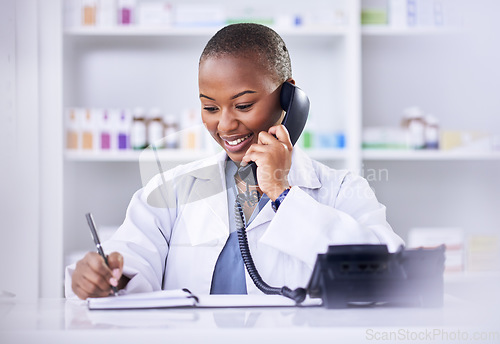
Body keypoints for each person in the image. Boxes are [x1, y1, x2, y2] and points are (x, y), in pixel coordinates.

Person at [66, 23, 404, 300]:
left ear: (290, 98)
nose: (225, 125)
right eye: (210, 108)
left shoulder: (341, 189)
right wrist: (103, 279)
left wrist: (283, 193)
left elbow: (392, 274)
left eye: (243, 105)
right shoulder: (170, 192)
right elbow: (131, 263)